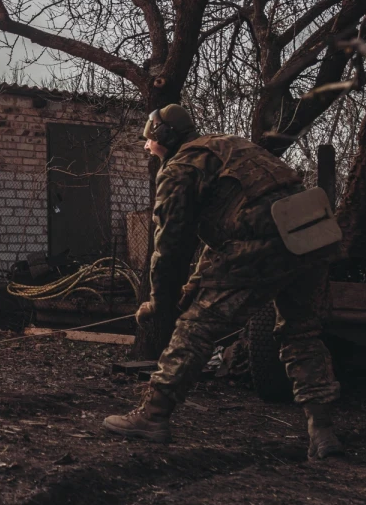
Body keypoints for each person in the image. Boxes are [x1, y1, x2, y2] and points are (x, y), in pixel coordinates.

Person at [102, 104, 345, 460]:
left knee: (196, 329)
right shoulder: (227, 145)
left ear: (164, 138)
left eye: (149, 140)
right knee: (302, 333)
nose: (146, 147)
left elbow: (169, 249)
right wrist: (192, 287)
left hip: (262, 242)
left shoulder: (179, 168)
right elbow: (220, 235)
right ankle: (322, 431)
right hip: (312, 237)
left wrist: (161, 302)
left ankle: (152, 416)